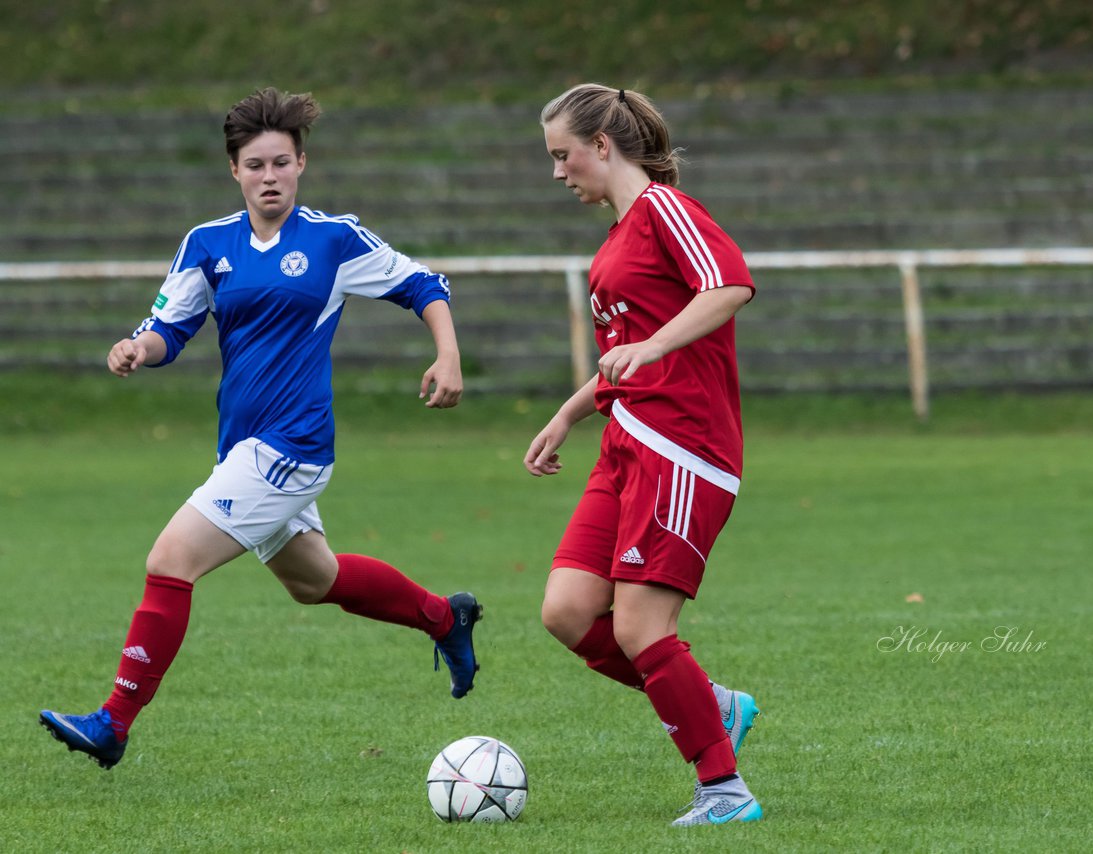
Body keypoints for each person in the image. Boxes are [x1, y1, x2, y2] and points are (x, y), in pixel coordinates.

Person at [39, 88, 482, 770]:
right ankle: (445, 619)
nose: (269, 176)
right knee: (316, 581)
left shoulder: (335, 239)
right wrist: (136, 348)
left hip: (293, 444)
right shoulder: (207, 243)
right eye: (255, 165)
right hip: (241, 446)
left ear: (301, 163)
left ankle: (113, 724)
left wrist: (447, 355)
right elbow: (169, 327)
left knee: (169, 562)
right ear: (235, 171)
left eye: (281, 162)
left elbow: (424, 285)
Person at [524, 83, 762, 826]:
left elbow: (730, 284)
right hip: (625, 445)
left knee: (638, 629)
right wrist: (568, 415)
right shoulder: (618, 237)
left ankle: (725, 791)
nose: (558, 173)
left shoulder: (664, 210)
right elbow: (622, 357)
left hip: (683, 448)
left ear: (603, 145)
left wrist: (657, 346)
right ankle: (713, 704)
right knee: (567, 611)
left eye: (564, 155)